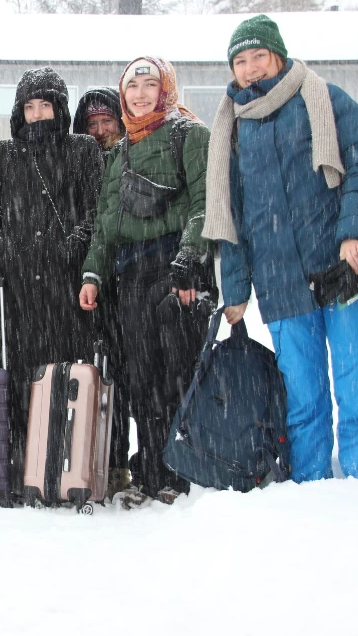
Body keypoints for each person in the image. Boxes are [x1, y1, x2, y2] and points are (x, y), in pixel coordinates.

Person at [203, 15, 358, 483]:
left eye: (258, 56)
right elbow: (231, 216)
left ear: (278, 56)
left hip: (346, 266)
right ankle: (309, 488)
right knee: (302, 399)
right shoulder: (232, 129)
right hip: (281, 282)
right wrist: (235, 290)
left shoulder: (325, 99)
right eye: (240, 61)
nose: (250, 68)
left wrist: (353, 231)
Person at [79, 56, 217, 507]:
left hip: (176, 271)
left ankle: (184, 472)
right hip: (131, 276)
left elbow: (204, 204)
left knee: (180, 375)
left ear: (166, 89)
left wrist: (190, 260)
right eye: (132, 86)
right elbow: (105, 223)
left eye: (150, 84)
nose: (140, 94)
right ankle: (153, 471)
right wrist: (93, 273)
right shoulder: (120, 153)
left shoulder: (189, 136)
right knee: (142, 379)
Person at [0, 67, 103, 495]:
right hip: (19, 286)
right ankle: (24, 465)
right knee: (21, 374)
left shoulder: (83, 151)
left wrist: (71, 248)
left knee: (66, 373)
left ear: (59, 107)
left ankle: (64, 464)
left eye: (45, 105)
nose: (37, 114)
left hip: (67, 284)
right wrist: (3, 251)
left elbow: (96, 211)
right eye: (29, 106)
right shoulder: (6, 154)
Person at [72, 87, 131, 499]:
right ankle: (81, 459)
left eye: (106, 121)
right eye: (91, 124)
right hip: (81, 280)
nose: (99, 130)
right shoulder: (76, 160)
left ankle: (116, 462)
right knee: (86, 375)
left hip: (122, 276)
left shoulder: (129, 157)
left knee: (119, 376)